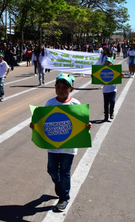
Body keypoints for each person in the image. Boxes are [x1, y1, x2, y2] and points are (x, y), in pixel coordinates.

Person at [29, 73, 92, 212]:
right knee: (51, 171)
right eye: (58, 87)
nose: (61, 89)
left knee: (65, 172)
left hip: (69, 147)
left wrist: (87, 126)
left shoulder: (75, 104)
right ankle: (59, 184)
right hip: (53, 146)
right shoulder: (50, 103)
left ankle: (64, 198)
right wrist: (35, 125)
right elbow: (44, 122)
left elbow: (82, 123)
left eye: (64, 87)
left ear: (71, 89)